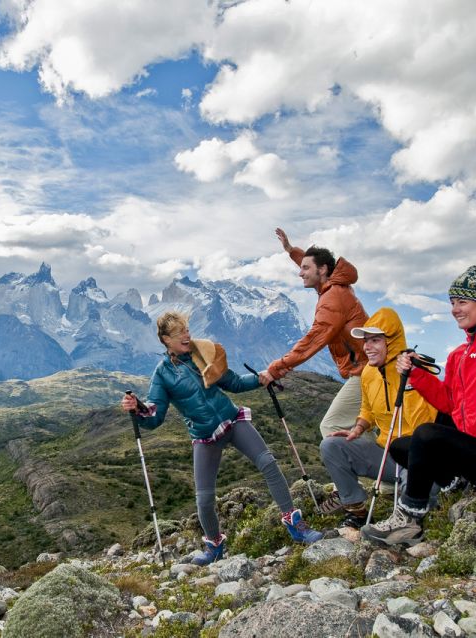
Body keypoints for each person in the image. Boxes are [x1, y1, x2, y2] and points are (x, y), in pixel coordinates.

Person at [121, 311, 323, 565]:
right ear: (165, 340)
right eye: (178, 333)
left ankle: (296, 525)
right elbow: (154, 417)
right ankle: (214, 546)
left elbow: (234, 383)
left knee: (268, 462)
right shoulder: (162, 374)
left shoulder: (203, 352)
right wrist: (137, 408)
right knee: (204, 500)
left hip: (232, 420)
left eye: (186, 329)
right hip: (205, 436)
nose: (186, 335)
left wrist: (263, 379)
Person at [362, 262, 476, 547]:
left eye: (463, 301)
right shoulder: (459, 355)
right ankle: (456, 485)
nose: (455, 309)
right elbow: (449, 403)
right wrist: (417, 374)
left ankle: (409, 518)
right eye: (452, 302)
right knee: (401, 446)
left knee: (426, 435)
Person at [320, 307, 438, 529]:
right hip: (385, 453)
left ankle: (413, 514)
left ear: (391, 342)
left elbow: (428, 423)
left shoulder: (420, 371)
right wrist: (359, 427)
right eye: (366, 341)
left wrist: (412, 378)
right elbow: (368, 409)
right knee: (331, 445)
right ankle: (357, 511)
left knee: (420, 494)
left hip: (416, 457)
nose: (366, 347)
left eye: (375, 340)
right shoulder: (368, 373)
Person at [259, 229, 369, 438]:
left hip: (365, 372)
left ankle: (374, 467)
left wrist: (275, 369)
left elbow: (312, 341)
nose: (300, 273)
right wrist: (291, 251)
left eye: (305, 268)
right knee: (362, 431)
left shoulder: (332, 298)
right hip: (368, 369)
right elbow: (314, 266)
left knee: (331, 426)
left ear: (323, 269)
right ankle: (382, 466)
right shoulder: (334, 284)